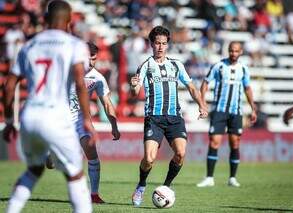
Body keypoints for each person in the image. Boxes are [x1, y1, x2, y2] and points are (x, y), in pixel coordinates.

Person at [3, 1, 96, 212]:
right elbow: (80, 83)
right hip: (56, 116)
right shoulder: (74, 45)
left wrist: (10, 121)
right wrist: (87, 120)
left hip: (29, 114)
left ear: (45, 19)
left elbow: (8, 88)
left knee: (33, 170)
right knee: (75, 175)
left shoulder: (29, 45)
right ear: (69, 20)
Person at [130, 26, 208, 207]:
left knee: (180, 154)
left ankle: (165, 187)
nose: (160, 47)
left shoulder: (176, 65)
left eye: (164, 44)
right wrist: (134, 85)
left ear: (167, 45)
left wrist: (202, 105)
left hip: (174, 118)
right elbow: (135, 92)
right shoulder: (146, 65)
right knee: (149, 159)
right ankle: (141, 185)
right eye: (157, 43)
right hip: (154, 118)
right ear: (151, 44)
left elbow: (192, 88)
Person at [196, 41, 257, 188]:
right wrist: (203, 103)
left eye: (236, 51)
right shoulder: (219, 66)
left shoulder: (244, 68)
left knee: (235, 143)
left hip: (236, 111)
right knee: (214, 142)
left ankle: (232, 178)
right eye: (231, 51)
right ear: (228, 51)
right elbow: (205, 83)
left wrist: (253, 108)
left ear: (241, 52)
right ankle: (210, 177)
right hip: (219, 111)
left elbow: (247, 88)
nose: (233, 54)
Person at [68, 42, 121, 203]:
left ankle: (94, 195)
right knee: (51, 163)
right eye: (89, 59)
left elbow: (106, 102)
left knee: (92, 155)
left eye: (94, 59)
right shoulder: (66, 71)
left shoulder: (97, 78)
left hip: (80, 121)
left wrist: (114, 125)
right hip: (60, 120)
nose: (92, 63)